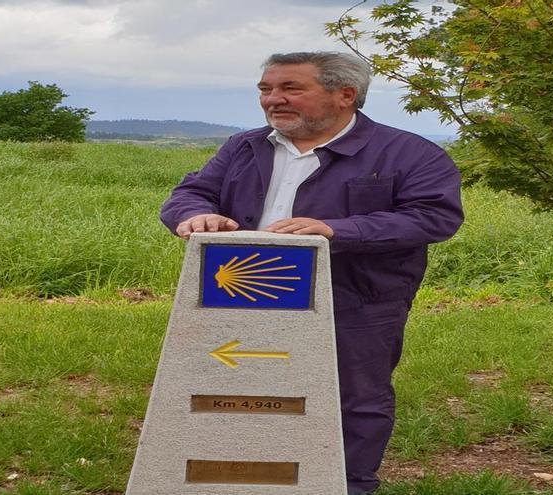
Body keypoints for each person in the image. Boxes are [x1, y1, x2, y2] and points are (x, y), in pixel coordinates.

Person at [160, 51, 463, 495]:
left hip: (357, 299)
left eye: (290, 89)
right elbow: (191, 192)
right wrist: (197, 215)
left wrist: (336, 230)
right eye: (266, 89)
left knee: (355, 399)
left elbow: (434, 217)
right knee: (236, 387)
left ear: (345, 95)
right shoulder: (244, 146)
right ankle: (242, 477)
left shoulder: (408, 153)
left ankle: (347, 484)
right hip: (239, 296)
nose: (273, 100)